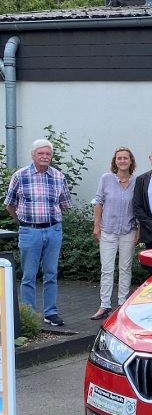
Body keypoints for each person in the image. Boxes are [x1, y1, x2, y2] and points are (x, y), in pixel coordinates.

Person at [4, 139, 73, 326]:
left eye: (48, 154)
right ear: (33, 154)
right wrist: (23, 221)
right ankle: (29, 315)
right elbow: (10, 204)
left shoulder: (59, 177)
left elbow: (65, 204)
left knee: (51, 273)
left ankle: (50, 312)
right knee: (29, 275)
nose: (45, 157)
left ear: (51, 156)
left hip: (53, 230)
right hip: (30, 231)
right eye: (41, 153)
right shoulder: (20, 176)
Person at [91, 147, 139, 321]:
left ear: (131, 161)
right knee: (107, 269)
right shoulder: (106, 179)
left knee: (125, 268)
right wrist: (96, 226)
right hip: (108, 230)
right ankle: (104, 305)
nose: (123, 161)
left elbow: (140, 207)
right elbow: (99, 202)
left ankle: (122, 304)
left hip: (128, 230)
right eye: (119, 158)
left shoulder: (137, 181)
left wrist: (139, 230)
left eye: (126, 158)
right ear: (115, 161)